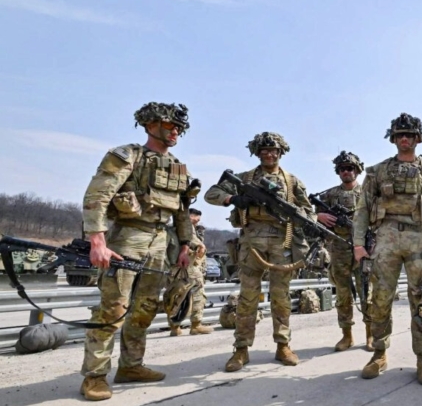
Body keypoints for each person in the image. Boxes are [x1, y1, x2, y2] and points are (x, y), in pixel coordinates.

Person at [79, 102, 195, 401]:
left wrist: (185, 245)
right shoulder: (128, 155)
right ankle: (95, 376)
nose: (176, 132)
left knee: (144, 309)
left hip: (160, 242)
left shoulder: (179, 166)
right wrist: (97, 240)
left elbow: (182, 211)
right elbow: (98, 194)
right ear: (150, 125)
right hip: (127, 238)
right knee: (112, 310)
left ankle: (131, 366)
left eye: (179, 127)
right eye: (170, 126)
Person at [352, 113, 422, 385]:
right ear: (393, 138)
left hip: (418, 240)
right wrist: (359, 244)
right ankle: (379, 353)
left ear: (418, 138)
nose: (404, 138)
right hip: (385, 239)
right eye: (399, 135)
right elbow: (361, 210)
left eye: (409, 134)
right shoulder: (377, 171)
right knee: (380, 299)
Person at [205, 132, 313, 372]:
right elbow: (211, 194)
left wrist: (302, 219)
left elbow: (307, 211)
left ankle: (283, 345)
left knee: (281, 297)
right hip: (251, 242)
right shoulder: (245, 178)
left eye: (274, 151)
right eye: (264, 151)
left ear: (281, 152)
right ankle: (241, 349)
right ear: (257, 153)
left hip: (281, 242)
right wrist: (234, 198)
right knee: (247, 298)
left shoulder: (292, 181)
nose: (269, 155)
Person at [315, 151, 373, 352]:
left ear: (357, 170)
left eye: (349, 168)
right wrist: (318, 216)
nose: (346, 172)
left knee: (367, 292)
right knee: (343, 294)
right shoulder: (330, 195)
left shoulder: (367, 193)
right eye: (342, 169)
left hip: (364, 249)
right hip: (339, 249)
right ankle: (346, 336)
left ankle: (370, 335)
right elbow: (308, 211)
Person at [167, 208, 212, 336]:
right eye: (196, 219)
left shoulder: (172, 227)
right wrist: (201, 245)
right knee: (198, 292)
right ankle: (196, 325)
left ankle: (174, 327)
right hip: (188, 266)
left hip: (173, 267)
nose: (197, 222)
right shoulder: (186, 226)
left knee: (175, 295)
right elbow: (191, 240)